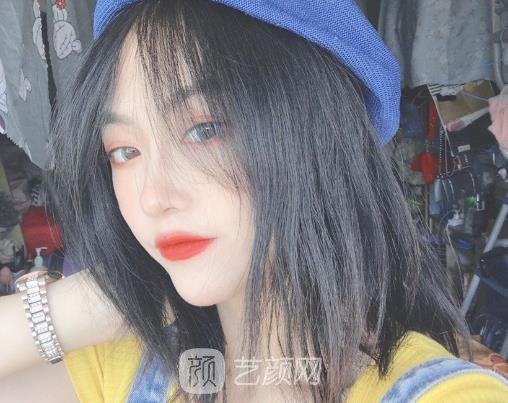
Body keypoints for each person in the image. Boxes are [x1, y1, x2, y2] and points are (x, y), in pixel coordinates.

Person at [1, 0, 508, 402]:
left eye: (204, 130)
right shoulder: (134, 365)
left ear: (320, 134)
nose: (154, 197)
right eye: (124, 151)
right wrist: (88, 303)